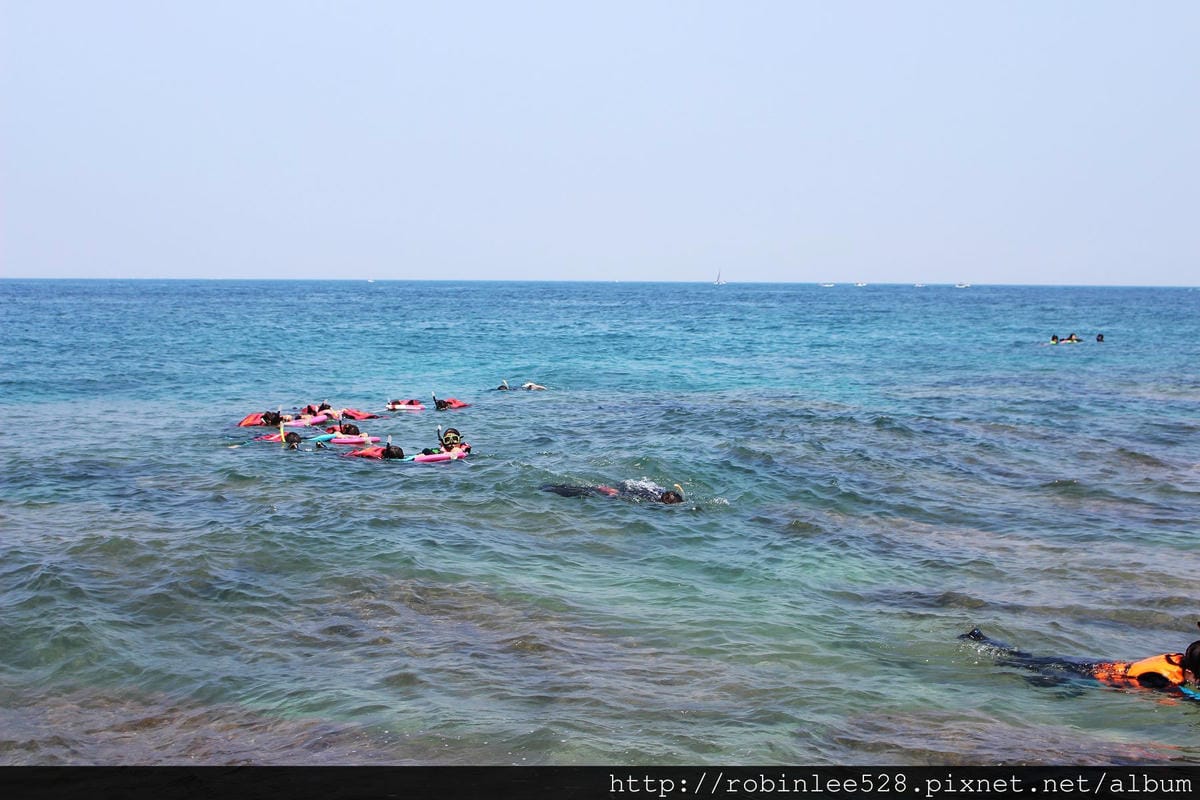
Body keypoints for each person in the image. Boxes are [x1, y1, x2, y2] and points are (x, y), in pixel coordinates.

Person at [960, 626, 1200, 693]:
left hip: (1089, 666)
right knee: (1016, 664)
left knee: (1024, 659)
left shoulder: (1177, 660)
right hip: (1080, 675)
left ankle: (981, 640)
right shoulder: (1160, 679)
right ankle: (981, 642)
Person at [541, 480, 685, 504]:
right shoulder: (652, 501)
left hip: (613, 490)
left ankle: (550, 488)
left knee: (584, 490)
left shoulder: (654, 492)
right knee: (583, 492)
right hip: (612, 493)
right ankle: (550, 489)